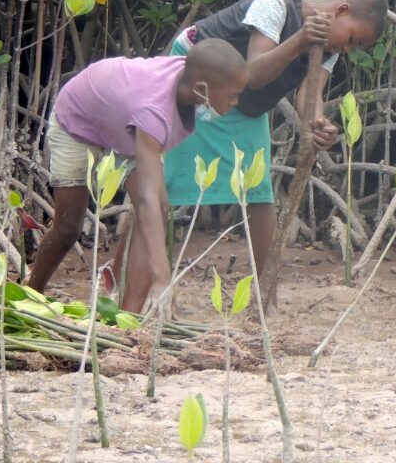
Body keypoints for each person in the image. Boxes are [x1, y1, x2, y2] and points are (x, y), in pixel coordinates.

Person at [162, 0, 388, 279]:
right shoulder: (275, 4)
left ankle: (266, 290)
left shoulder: (328, 48)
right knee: (163, 185)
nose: (347, 49)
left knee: (258, 193)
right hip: (195, 84)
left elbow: (310, 95)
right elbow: (252, 74)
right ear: (341, 10)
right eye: (352, 40)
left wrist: (318, 125)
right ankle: (141, 275)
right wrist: (299, 41)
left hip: (244, 104)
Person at [28, 39, 249, 313]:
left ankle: (127, 319)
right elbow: (145, 199)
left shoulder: (187, 80)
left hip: (123, 126)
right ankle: (27, 295)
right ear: (201, 87)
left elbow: (153, 201)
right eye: (231, 95)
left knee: (160, 207)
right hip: (77, 120)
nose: (236, 101)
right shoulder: (154, 110)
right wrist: (162, 276)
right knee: (68, 228)